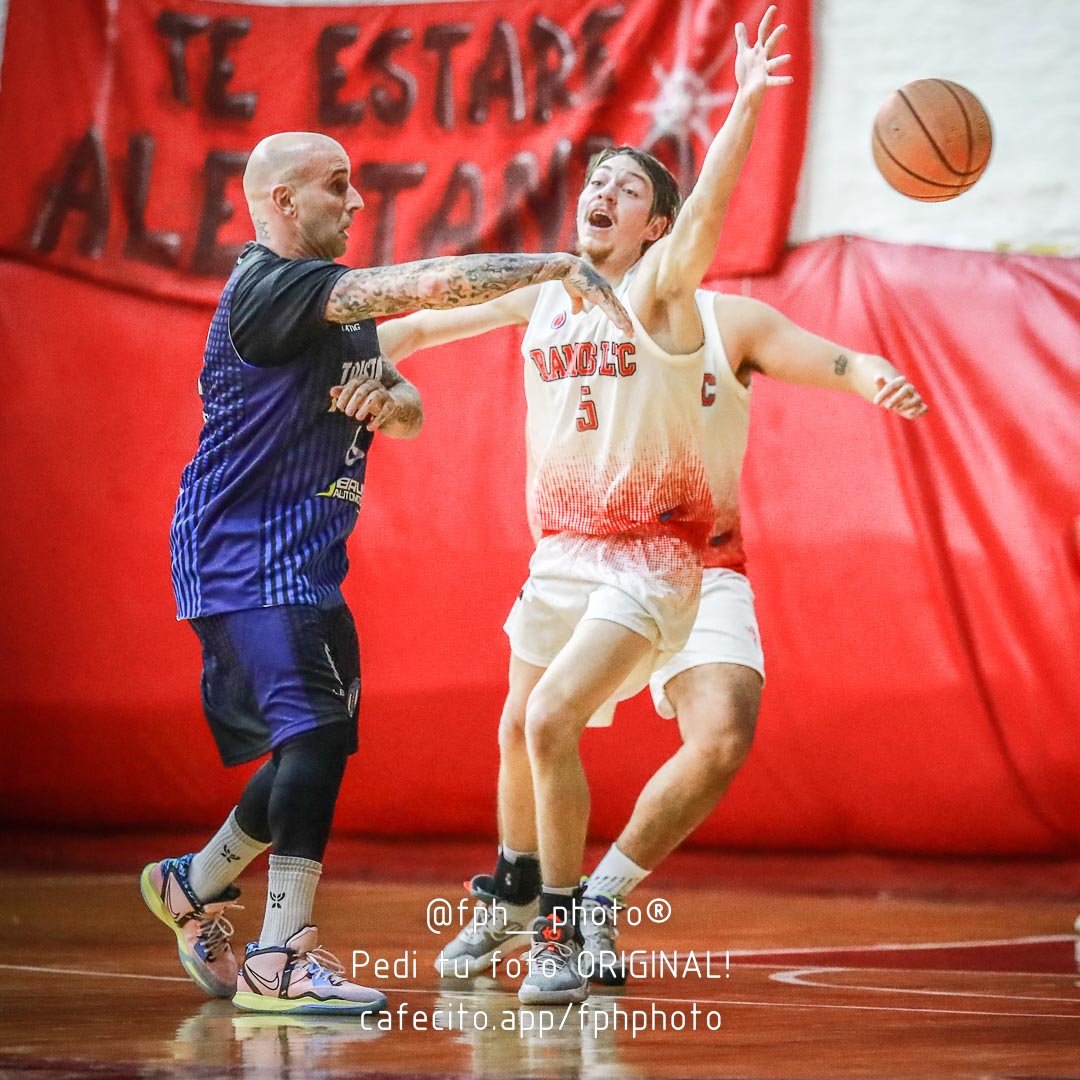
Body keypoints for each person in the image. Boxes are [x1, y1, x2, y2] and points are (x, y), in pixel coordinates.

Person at [335, 8, 794, 1004]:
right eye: (597, 180)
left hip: (659, 552)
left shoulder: (666, 288)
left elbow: (709, 216)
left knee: (565, 722)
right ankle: (515, 895)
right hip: (564, 550)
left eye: (627, 188)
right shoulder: (547, 292)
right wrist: (345, 348)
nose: (601, 191)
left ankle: (570, 916)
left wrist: (745, 106)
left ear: (651, 226)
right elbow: (423, 327)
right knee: (518, 728)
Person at [140, 130, 630, 1016]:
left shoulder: (335, 308)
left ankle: (193, 882)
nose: (357, 200)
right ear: (285, 202)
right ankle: (281, 956)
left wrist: (398, 402)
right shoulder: (270, 287)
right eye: (338, 186)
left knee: (317, 744)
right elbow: (432, 287)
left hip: (305, 556)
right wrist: (553, 266)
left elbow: (398, 389)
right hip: (243, 550)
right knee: (317, 739)